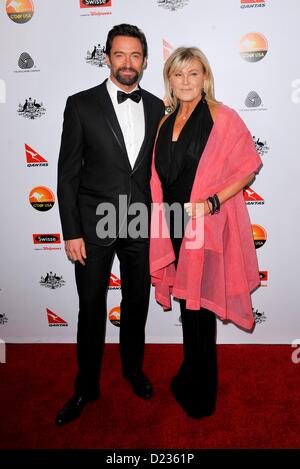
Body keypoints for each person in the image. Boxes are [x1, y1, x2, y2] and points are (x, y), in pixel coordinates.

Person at [56, 24, 165, 426]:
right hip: (93, 224)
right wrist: (71, 231)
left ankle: (132, 370)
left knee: (137, 304)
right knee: (90, 308)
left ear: (145, 61)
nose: (127, 63)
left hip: (139, 222)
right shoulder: (81, 104)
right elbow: (66, 174)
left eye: (135, 55)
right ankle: (85, 385)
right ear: (106, 57)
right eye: (120, 55)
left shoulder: (157, 107)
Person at [150, 47, 262, 419]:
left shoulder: (222, 116)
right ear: (169, 79)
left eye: (192, 74)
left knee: (200, 310)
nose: (185, 82)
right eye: (178, 74)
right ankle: (189, 371)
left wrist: (212, 202)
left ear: (204, 77)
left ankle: (202, 392)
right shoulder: (165, 123)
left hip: (203, 225)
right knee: (188, 305)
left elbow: (248, 167)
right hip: (173, 225)